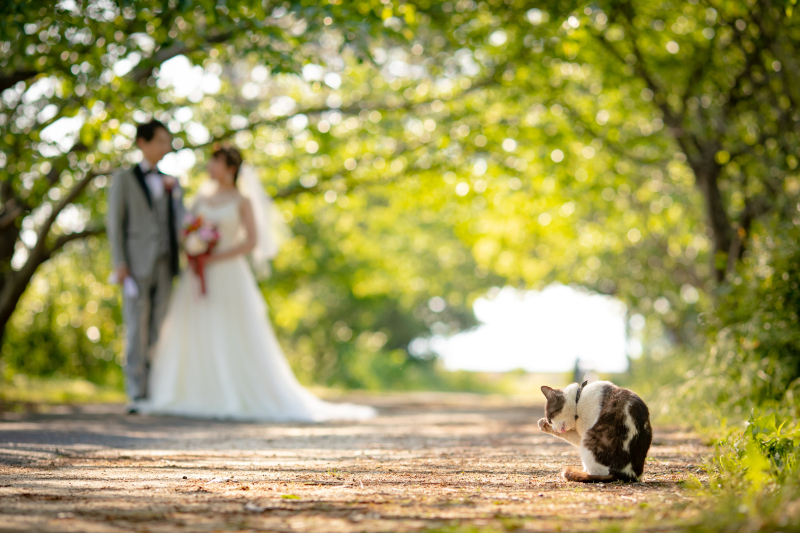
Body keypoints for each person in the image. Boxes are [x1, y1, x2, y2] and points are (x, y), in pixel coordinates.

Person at [137, 147, 376, 422]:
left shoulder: (243, 200)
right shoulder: (201, 196)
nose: (210, 167)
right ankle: (195, 392)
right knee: (195, 328)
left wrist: (215, 255)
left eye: (215, 162)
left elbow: (251, 241)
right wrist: (193, 245)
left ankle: (233, 392)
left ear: (230, 168)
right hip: (198, 273)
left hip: (228, 273)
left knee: (230, 330)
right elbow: (185, 228)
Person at [106, 120, 185, 411]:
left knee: (159, 327)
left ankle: (155, 389)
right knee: (136, 326)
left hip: (167, 263)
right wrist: (120, 263)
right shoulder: (123, 179)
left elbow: (180, 222)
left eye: (168, 142)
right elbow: (116, 224)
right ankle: (135, 390)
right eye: (161, 141)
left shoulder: (172, 181)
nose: (166, 147)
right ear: (143, 142)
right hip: (135, 265)